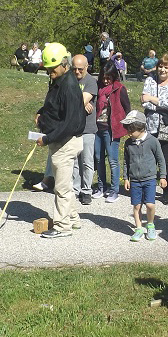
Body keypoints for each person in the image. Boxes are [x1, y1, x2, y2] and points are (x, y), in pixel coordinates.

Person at [35, 43, 86, 238]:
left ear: (64, 64)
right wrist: (42, 113)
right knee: (62, 183)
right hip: (59, 141)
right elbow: (54, 106)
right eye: (47, 68)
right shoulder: (58, 80)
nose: (49, 72)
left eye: (52, 68)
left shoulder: (70, 86)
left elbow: (70, 124)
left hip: (67, 141)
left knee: (62, 187)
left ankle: (62, 226)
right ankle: (73, 219)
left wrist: (47, 138)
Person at [141, 54, 168, 205]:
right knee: (149, 159)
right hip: (151, 124)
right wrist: (161, 105)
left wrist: (152, 99)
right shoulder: (150, 81)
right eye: (160, 66)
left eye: (166, 67)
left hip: (167, 125)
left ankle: (167, 191)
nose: (163, 70)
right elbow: (143, 103)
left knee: (165, 160)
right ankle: (149, 190)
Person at [121, 110, 167, 241]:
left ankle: (150, 225)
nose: (128, 134)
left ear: (140, 128)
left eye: (131, 131)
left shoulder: (152, 141)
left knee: (150, 205)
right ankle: (139, 228)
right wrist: (126, 178)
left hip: (149, 179)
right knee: (136, 206)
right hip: (135, 180)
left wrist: (162, 176)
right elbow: (126, 161)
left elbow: (161, 159)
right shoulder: (128, 143)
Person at [94, 60, 131, 202]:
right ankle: (101, 186)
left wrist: (128, 127)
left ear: (114, 76)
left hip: (112, 129)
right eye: (103, 77)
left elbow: (127, 108)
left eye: (108, 77)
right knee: (98, 159)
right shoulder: (98, 88)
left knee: (113, 160)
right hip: (97, 128)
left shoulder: (119, 89)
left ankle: (114, 190)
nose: (105, 80)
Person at [75, 54, 98, 205]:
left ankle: (86, 191)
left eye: (80, 69)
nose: (77, 72)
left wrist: (81, 101)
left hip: (88, 128)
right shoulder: (69, 80)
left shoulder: (91, 81)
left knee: (87, 162)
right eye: (74, 69)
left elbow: (78, 100)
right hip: (73, 128)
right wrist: (81, 103)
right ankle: (75, 190)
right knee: (74, 163)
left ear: (87, 67)